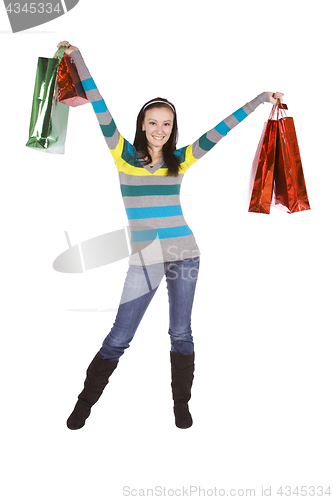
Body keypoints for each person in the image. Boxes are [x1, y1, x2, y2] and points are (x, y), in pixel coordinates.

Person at [57, 41, 284, 431]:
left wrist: (262, 98)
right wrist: (76, 58)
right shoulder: (121, 153)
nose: (160, 130)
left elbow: (222, 129)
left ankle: (181, 405)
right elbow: (99, 104)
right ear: (142, 125)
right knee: (119, 337)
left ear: (171, 128)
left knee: (181, 332)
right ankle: (83, 405)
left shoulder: (183, 158)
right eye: (153, 122)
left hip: (185, 253)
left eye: (167, 123)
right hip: (145, 259)